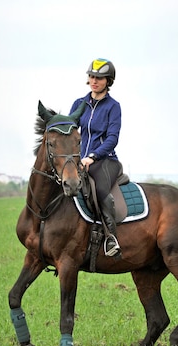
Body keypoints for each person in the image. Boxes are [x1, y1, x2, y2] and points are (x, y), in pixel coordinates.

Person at [70, 58, 122, 257]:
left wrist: (92, 156)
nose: (94, 81)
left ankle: (111, 238)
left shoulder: (113, 107)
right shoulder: (79, 103)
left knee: (99, 190)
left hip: (106, 161)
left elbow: (112, 138)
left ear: (108, 81)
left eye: (99, 78)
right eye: (92, 76)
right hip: (80, 161)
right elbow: (71, 131)